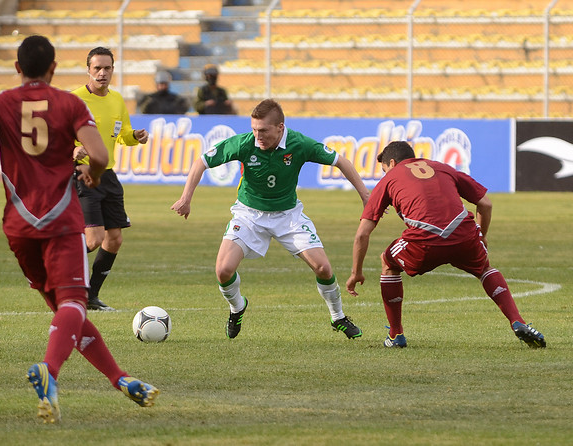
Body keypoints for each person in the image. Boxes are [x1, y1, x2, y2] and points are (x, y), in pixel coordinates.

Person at [0, 35, 158, 424]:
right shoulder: (70, 103)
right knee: (73, 304)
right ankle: (49, 371)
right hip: (61, 218)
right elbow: (100, 154)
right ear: (54, 69)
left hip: (18, 226)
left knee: (66, 312)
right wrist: (95, 171)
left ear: (17, 68)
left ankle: (119, 377)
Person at [171, 99, 370, 339]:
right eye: (254, 129)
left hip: (288, 216)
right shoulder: (244, 143)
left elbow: (341, 161)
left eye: (263, 130)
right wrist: (186, 198)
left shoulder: (299, 144)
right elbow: (201, 162)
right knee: (223, 270)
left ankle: (337, 317)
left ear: (280, 127)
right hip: (249, 216)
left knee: (323, 268)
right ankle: (237, 307)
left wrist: (365, 195)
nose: (257, 136)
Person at [345, 140, 546, 349]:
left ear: (393, 163)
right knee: (485, 268)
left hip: (425, 241)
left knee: (388, 263)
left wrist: (356, 272)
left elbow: (362, 235)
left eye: (385, 169)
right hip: (463, 234)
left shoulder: (390, 179)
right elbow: (485, 203)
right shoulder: (442, 167)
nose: (385, 174)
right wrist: (481, 235)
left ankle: (396, 336)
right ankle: (518, 322)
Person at [72, 47, 150, 311]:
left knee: (114, 239)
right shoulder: (74, 100)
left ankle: (90, 297)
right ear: (88, 70)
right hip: (84, 173)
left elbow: (122, 134)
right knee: (93, 239)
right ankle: (49, 264)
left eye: (107, 68)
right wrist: (72, 149)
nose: (102, 73)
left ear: (113, 70)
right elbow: (56, 135)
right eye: (97, 68)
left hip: (108, 175)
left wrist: (135, 136)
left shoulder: (117, 100)